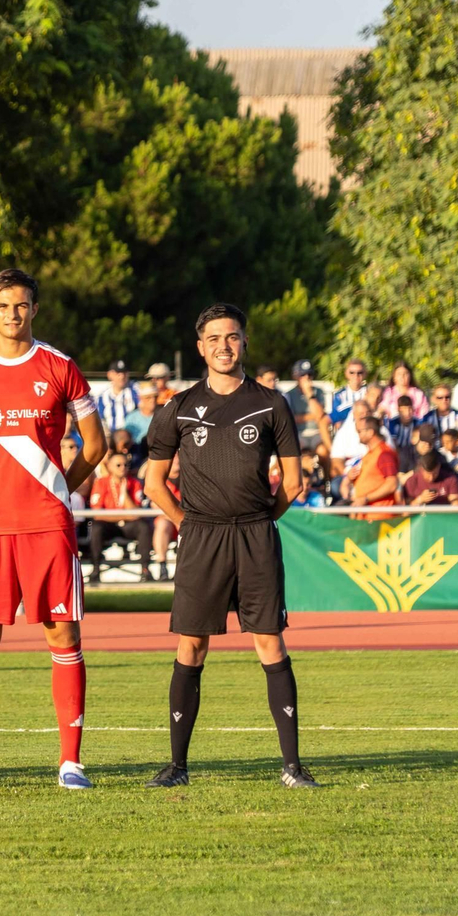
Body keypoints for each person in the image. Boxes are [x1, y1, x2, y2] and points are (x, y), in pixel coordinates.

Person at [0, 268, 106, 790]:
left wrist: (59, 488)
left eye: (22, 305)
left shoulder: (60, 367)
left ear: (34, 309)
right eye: (3, 305)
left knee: (63, 634)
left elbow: (96, 444)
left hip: (46, 526)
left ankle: (71, 763)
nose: (13, 314)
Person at [141, 302, 316, 790]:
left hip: (255, 535)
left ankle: (292, 766)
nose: (224, 346)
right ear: (201, 347)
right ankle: (177, 766)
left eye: (232, 337)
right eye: (214, 338)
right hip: (203, 536)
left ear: (244, 342)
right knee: (192, 644)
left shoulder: (271, 403)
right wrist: (188, 524)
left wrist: (260, 521)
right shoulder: (177, 407)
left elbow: (294, 482)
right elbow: (153, 483)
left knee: (269, 641)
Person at [87, 452, 154, 583]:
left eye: (126, 465)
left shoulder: (134, 483)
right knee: (96, 527)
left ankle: (145, 569)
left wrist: (125, 494)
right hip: (108, 525)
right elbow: (97, 514)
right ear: (109, 466)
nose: (123, 468)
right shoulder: (101, 483)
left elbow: (137, 513)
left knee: (143, 526)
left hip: (128, 526)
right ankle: (95, 569)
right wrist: (126, 515)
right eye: (118, 465)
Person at [349, 417, 400, 508]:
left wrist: (366, 499)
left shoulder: (384, 454)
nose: (358, 434)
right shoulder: (370, 454)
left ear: (370, 432)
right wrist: (351, 478)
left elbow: (392, 484)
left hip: (379, 512)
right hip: (366, 512)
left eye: (360, 431)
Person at [98, 359, 138, 434]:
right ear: (109, 375)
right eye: (118, 373)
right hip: (110, 436)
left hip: (131, 435)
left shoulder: (136, 392)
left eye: (124, 373)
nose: (122, 376)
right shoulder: (102, 397)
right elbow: (100, 418)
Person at [330, 360, 366, 429]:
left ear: (365, 374)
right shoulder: (339, 396)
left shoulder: (370, 393)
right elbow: (336, 422)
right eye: (352, 372)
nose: (356, 375)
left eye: (360, 372)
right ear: (346, 374)